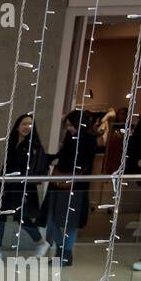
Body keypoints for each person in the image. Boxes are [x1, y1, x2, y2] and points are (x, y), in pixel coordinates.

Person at [0, 114, 49, 259]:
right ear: (17, 126)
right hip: (8, 186)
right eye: (24, 123)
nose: (27, 127)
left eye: (30, 124)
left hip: (23, 188)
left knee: (22, 218)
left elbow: (31, 169)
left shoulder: (33, 146)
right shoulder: (13, 142)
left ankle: (41, 242)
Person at [43, 109, 98, 268]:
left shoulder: (88, 138)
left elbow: (79, 159)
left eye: (70, 125)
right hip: (61, 183)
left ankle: (65, 254)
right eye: (67, 125)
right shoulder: (71, 137)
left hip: (76, 185)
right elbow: (61, 156)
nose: (68, 128)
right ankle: (63, 252)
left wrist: (58, 160)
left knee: (70, 222)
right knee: (51, 219)